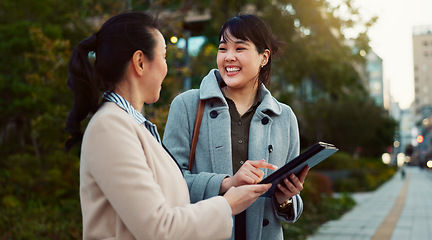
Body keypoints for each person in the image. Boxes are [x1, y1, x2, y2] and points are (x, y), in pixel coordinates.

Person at [64, 11, 273, 240]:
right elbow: (159, 229)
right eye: (163, 57)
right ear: (140, 62)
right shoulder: (110, 128)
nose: (167, 68)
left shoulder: (133, 125)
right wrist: (227, 205)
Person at [163, 14, 309, 240]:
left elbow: (292, 209)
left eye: (240, 49)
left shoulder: (284, 117)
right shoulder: (187, 105)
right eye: (223, 49)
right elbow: (168, 183)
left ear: (264, 57)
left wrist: (287, 198)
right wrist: (227, 184)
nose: (229, 57)